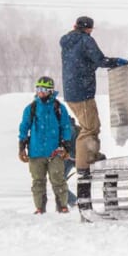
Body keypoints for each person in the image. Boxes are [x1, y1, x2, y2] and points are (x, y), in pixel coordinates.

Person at [60, 15, 128, 174]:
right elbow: (100, 60)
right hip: (82, 91)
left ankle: (92, 155)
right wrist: (117, 61)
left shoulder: (67, 42)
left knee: (92, 125)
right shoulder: (85, 40)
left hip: (71, 90)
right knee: (89, 128)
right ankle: (84, 163)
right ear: (89, 28)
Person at [18, 76, 76, 213]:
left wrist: (66, 146)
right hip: (35, 152)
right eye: (38, 89)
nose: (41, 92)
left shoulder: (59, 108)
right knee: (38, 181)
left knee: (58, 180)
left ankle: (62, 206)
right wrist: (21, 147)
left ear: (50, 91)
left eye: (44, 89)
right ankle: (39, 208)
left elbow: (65, 127)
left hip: (55, 152)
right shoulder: (31, 108)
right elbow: (23, 128)